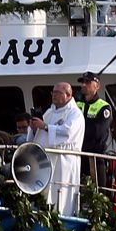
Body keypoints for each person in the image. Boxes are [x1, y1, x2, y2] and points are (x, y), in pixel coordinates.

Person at [41, 80, 86, 217]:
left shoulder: (75, 114)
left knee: (62, 191)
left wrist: (45, 127)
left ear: (68, 95)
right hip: (47, 159)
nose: (54, 95)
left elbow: (68, 132)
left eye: (57, 92)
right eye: (53, 92)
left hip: (65, 161)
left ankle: (63, 215)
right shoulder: (49, 112)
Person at [76, 73, 112, 186]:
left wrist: (78, 129)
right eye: (82, 82)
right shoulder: (75, 104)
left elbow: (97, 132)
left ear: (97, 86)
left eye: (87, 82)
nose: (83, 85)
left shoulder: (104, 107)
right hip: (78, 155)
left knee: (99, 194)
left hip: (95, 157)